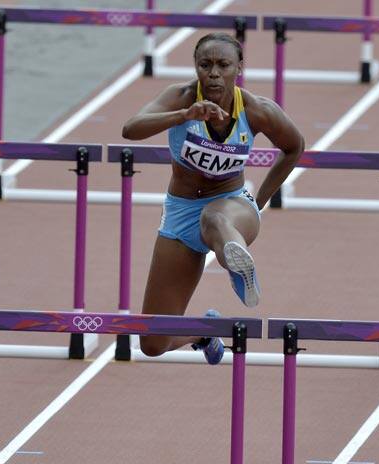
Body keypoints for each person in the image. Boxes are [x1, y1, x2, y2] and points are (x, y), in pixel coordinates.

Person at [122, 33, 304, 364]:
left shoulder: (256, 110)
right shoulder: (180, 98)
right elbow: (131, 128)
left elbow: (294, 147)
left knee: (214, 219)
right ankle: (204, 331)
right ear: (196, 68)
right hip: (180, 214)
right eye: (205, 65)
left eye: (223, 65)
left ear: (239, 69)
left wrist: (259, 201)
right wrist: (184, 116)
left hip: (233, 208)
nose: (214, 73)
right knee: (151, 342)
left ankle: (238, 267)